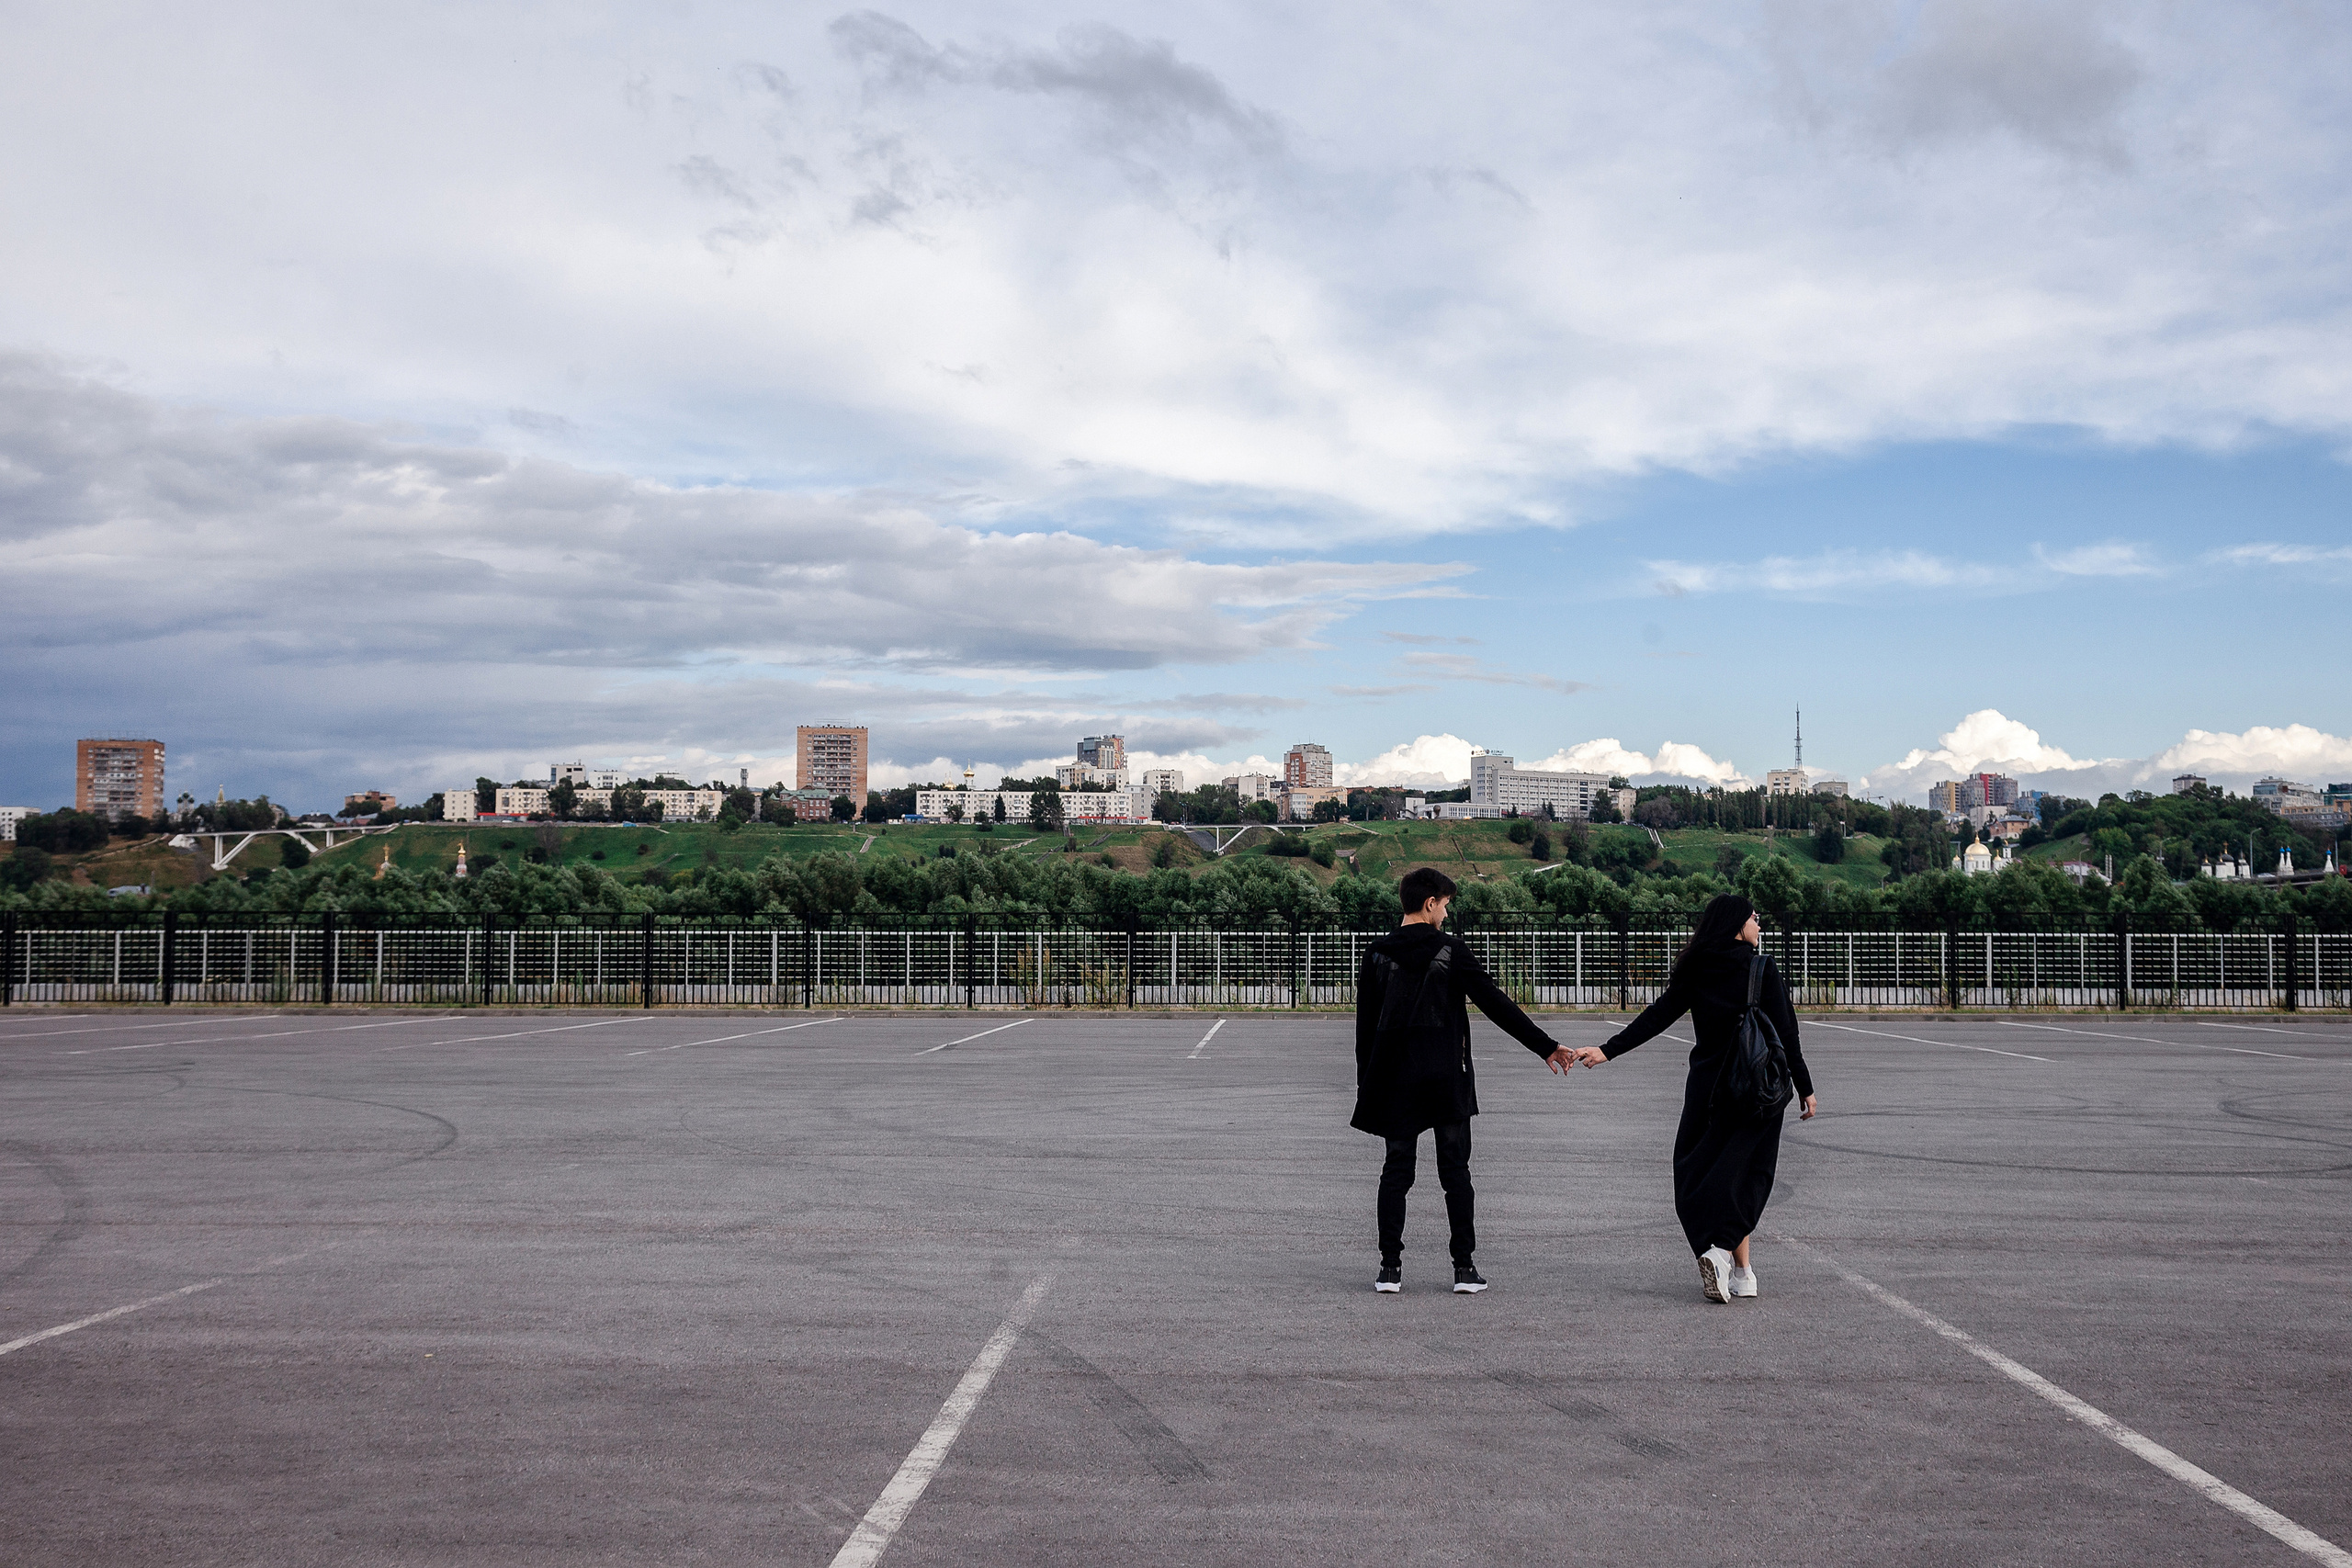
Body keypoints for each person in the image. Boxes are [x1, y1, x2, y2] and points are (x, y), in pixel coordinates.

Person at [1567, 893, 1817, 1303]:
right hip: (1757, 1091)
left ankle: (1742, 1272)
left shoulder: (1697, 966)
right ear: (1736, 925)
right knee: (1751, 1175)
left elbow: (1657, 1016)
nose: (1759, 925)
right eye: (1754, 918)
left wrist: (1607, 1050)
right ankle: (1720, 1252)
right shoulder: (1761, 968)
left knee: (1694, 1173)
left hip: (1708, 1089)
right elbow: (1788, 1033)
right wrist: (1805, 1087)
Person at [1354, 866, 1575, 1293]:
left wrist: (1368, 1086)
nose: (1446, 914)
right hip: (1445, 1078)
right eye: (1445, 905)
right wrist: (1546, 1046)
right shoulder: (1451, 951)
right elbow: (1496, 1003)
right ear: (1429, 903)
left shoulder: (1377, 954)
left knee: (1396, 1170)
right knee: (1455, 1170)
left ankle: (1389, 1269)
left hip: (1396, 1080)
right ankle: (1464, 1270)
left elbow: (1366, 1029)